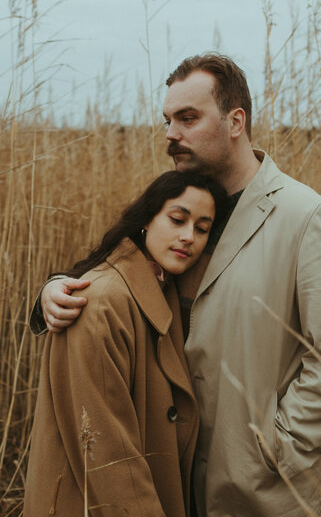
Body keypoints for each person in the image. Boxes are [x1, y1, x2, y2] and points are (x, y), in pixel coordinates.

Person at [30, 53, 321, 517]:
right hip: (173, 485)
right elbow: (117, 273)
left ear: (236, 121)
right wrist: (56, 289)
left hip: (261, 494)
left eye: (188, 118)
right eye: (168, 120)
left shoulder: (306, 217)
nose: (171, 134)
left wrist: (274, 452)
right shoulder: (181, 212)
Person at [24, 170, 227, 517]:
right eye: (177, 219)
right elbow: (107, 454)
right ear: (147, 219)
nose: (188, 236)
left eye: (202, 229)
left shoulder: (163, 287)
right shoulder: (100, 304)